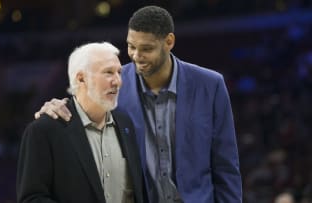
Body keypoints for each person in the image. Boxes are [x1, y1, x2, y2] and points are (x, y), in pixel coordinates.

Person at [35, 5, 242, 203]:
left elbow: (226, 168)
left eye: (146, 49)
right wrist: (56, 106)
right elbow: (79, 108)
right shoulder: (112, 84)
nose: (136, 56)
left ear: (169, 42)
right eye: (131, 46)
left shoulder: (210, 85)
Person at [16, 42, 145, 203]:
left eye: (119, 72)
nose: (118, 81)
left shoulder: (125, 123)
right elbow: (32, 198)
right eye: (108, 73)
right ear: (81, 78)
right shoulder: (44, 130)